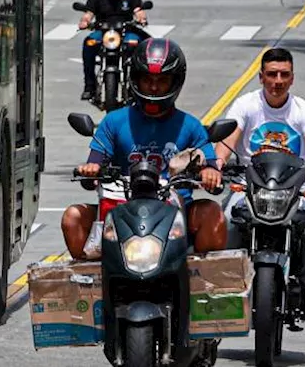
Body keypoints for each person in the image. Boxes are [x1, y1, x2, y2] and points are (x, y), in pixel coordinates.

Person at [61, 39, 227, 260]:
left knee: (213, 214)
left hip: (176, 216)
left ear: (175, 82)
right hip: (121, 213)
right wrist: (91, 170)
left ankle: (198, 278)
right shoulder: (114, 122)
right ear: (135, 79)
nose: (154, 87)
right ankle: (90, 280)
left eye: (163, 81)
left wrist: (210, 173)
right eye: (147, 80)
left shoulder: (191, 126)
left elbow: (213, 172)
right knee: (72, 217)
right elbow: (93, 167)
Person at [213, 47, 305, 322]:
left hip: (294, 188)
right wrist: (218, 162)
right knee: (226, 217)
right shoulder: (246, 105)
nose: (278, 81)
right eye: (272, 74)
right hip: (248, 186)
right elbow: (228, 139)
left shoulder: (302, 109)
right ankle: (225, 285)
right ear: (261, 77)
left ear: (292, 78)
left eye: (284, 74)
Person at [77, 0, 148, 101]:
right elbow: (88, 13)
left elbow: (138, 11)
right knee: (89, 43)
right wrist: (84, 22)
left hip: (125, 32)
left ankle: (135, 85)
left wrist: (141, 18)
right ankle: (89, 86)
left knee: (139, 45)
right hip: (103, 33)